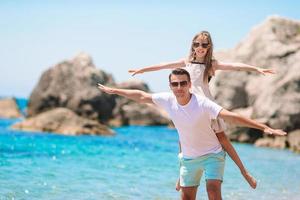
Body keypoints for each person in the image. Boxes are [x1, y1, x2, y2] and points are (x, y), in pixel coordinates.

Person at [97, 68, 286, 200]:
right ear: (170, 85)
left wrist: (263, 127)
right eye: (175, 84)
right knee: (186, 198)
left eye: (183, 83)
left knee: (213, 191)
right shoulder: (167, 99)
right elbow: (141, 96)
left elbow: (232, 117)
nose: (179, 87)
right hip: (188, 159)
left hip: (213, 154)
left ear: (189, 85)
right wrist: (115, 91)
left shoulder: (203, 103)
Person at [128, 30, 276, 190]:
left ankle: (244, 173)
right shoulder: (185, 62)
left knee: (223, 140)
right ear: (192, 46)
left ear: (209, 46)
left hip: (205, 106)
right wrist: (142, 70)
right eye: (196, 44)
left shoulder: (211, 64)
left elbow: (235, 66)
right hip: (187, 105)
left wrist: (256, 69)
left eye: (204, 45)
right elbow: (163, 65)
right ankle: (181, 176)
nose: (200, 47)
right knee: (183, 141)